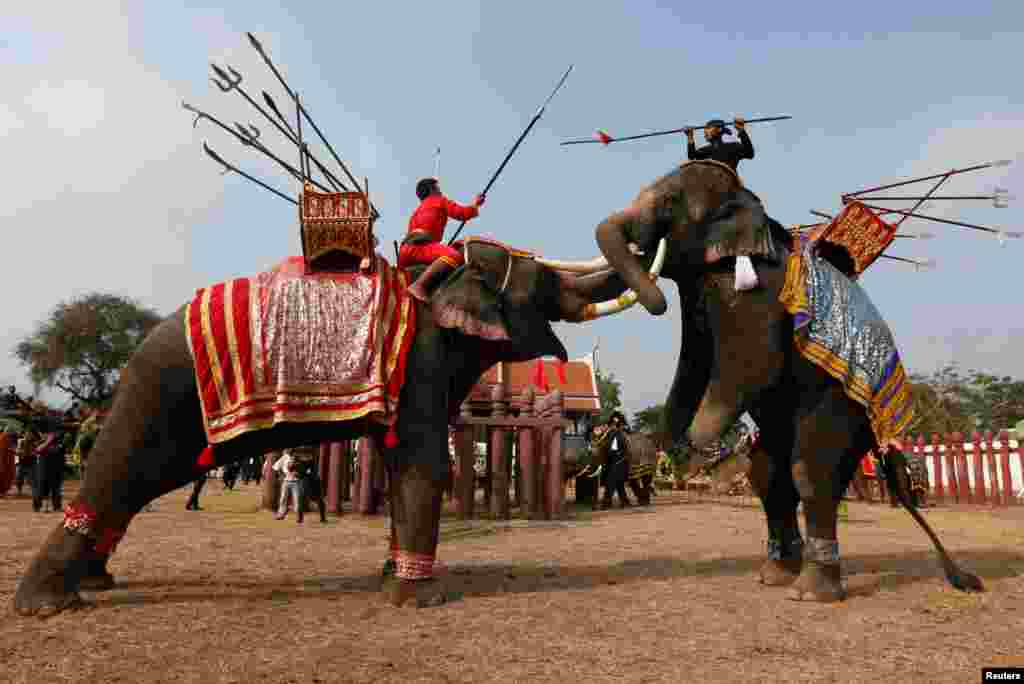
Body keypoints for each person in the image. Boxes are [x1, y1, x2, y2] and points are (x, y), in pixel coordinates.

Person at [399, 177, 485, 302]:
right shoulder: (439, 201)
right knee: (454, 256)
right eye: (438, 188)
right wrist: (476, 205)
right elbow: (461, 213)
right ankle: (419, 286)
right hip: (421, 248)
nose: (440, 191)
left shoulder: (415, 212)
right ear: (432, 189)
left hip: (404, 253)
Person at [685, 117, 754, 173]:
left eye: (708, 128)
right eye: (705, 128)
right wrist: (690, 136)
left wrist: (741, 130)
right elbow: (692, 156)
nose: (705, 131)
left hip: (729, 184)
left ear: (719, 129)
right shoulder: (709, 149)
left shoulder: (732, 146)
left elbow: (749, 153)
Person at [601, 411, 632, 509]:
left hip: (616, 463)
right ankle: (625, 501)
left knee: (610, 484)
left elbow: (612, 451)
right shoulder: (619, 434)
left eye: (612, 425)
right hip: (620, 463)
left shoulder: (614, 435)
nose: (611, 426)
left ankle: (606, 503)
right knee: (619, 485)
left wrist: (606, 458)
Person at [296, 458, 327, 524]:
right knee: (302, 501)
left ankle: (322, 518)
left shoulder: (308, 465)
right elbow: (298, 474)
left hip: (312, 484)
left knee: (319, 501)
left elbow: (300, 475)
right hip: (308, 484)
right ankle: (300, 518)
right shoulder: (301, 465)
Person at [273, 449, 302, 520]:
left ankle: (298, 515)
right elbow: (276, 467)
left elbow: (302, 469)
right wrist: (281, 476)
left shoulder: (298, 458)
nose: (288, 450)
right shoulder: (284, 457)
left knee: (296, 499)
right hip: (286, 481)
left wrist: (299, 473)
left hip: (296, 482)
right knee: (283, 498)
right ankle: (281, 514)